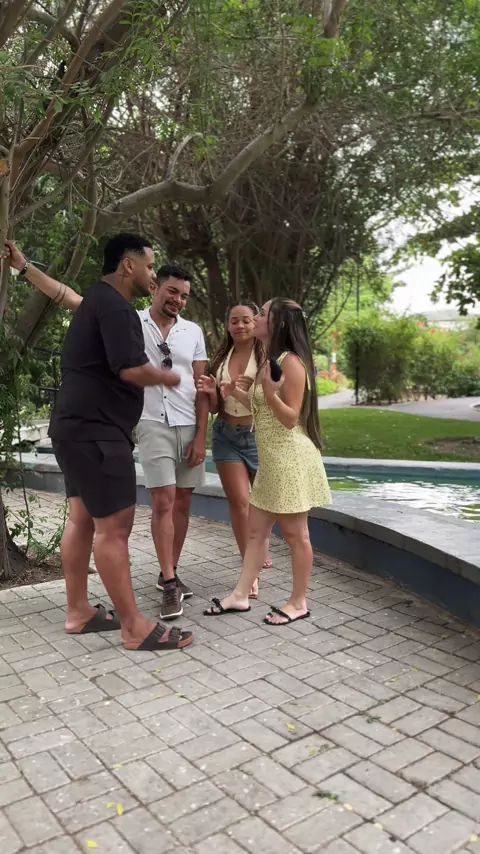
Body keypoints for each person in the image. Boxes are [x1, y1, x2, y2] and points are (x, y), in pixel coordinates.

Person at [2, 235, 193, 651]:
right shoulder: (117, 309)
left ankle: (79, 611)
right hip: (98, 432)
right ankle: (134, 627)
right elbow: (130, 369)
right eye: (149, 266)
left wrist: (24, 267)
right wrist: (170, 377)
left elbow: (63, 295)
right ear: (128, 265)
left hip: (73, 428)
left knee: (82, 519)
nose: (152, 274)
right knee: (115, 528)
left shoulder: (98, 300)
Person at [203, 297, 331, 625]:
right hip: (272, 462)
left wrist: (270, 393)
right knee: (256, 533)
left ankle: (298, 602)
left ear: (279, 323)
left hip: (290, 460)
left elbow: (289, 418)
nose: (256, 317)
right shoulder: (270, 360)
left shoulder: (291, 363)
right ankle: (240, 595)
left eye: (262, 313)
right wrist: (233, 392)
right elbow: (263, 409)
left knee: (295, 535)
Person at [197, 302, 272, 599]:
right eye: (234, 321)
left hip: (257, 437)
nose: (240, 326)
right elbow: (216, 407)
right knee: (240, 505)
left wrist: (248, 389)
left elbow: (273, 402)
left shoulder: (267, 357)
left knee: (261, 505)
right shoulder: (220, 359)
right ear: (227, 326)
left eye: (246, 320)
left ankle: (259, 548)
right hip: (225, 435)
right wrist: (211, 393)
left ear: (255, 323)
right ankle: (249, 570)